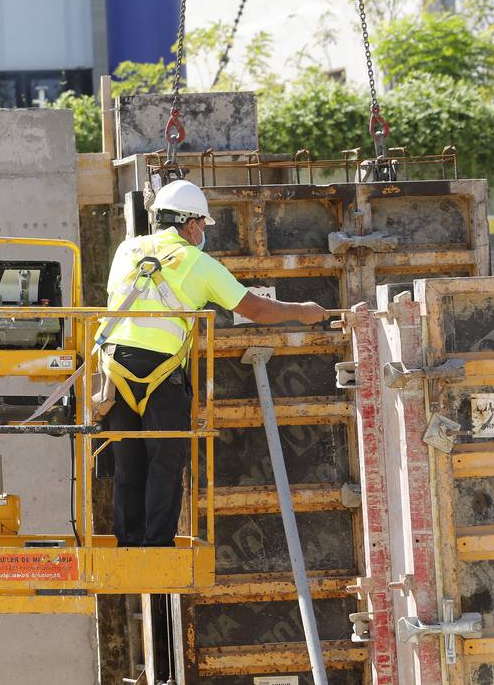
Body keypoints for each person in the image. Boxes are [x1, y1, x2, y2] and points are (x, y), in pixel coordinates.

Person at [92, 180, 328, 547]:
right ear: (190, 225)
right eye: (202, 224)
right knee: (165, 462)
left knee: (128, 461)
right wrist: (304, 313)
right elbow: (256, 308)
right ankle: (156, 546)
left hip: (114, 371)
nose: (203, 232)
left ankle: (128, 542)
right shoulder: (199, 264)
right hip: (161, 374)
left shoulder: (127, 250)